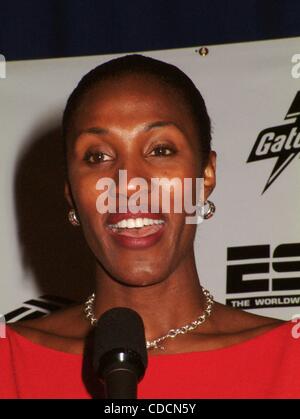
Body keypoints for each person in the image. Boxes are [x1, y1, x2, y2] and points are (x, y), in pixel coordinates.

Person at [1, 54, 299, 399]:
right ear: (71, 192)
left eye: (160, 150)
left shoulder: (290, 361)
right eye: (98, 156)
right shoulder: (9, 364)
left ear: (205, 176)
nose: (129, 184)